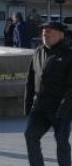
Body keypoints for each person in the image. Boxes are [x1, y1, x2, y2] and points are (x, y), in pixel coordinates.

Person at [24, 21, 72, 166]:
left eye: (49, 31)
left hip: (61, 109)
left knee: (62, 143)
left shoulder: (69, 54)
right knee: (30, 135)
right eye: (43, 31)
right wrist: (28, 106)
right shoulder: (38, 51)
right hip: (40, 107)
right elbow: (30, 80)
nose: (45, 34)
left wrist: (63, 109)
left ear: (61, 35)